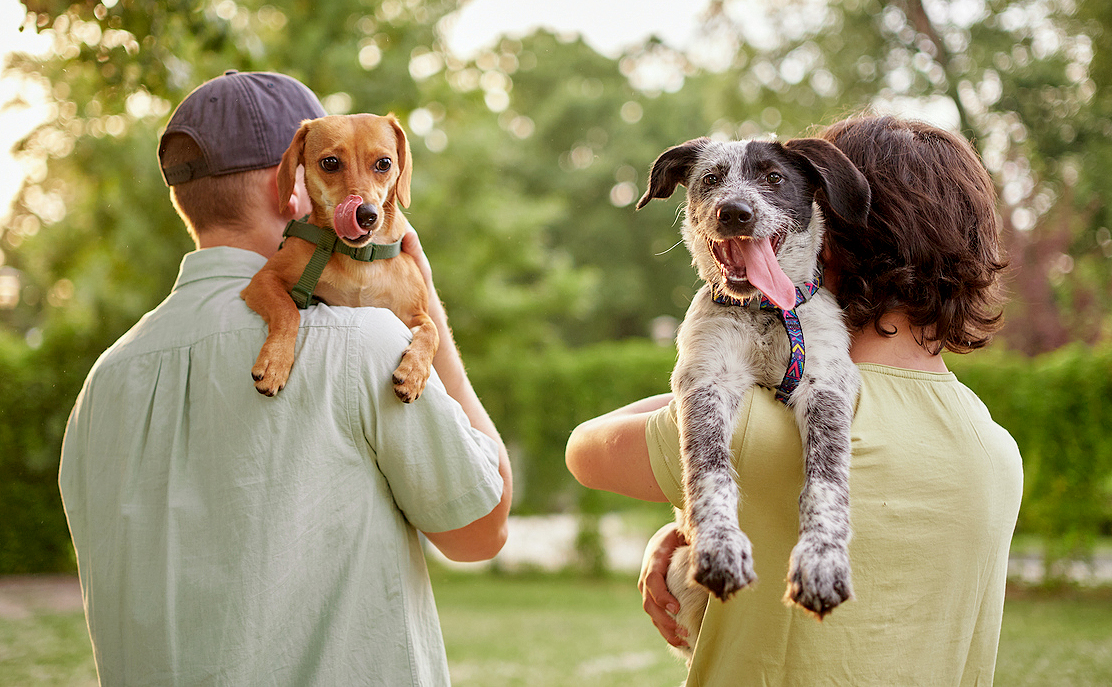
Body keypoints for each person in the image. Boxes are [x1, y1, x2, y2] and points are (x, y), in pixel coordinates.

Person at [59, 70, 512, 686]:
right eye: (333, 165)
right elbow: (483, 528)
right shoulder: (367, 343)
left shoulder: (103, 383)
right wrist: (427, 305)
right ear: (291, 191)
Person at [566, 114, 1023, 685]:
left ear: (832, 235)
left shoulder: (754, 430)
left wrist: (693, 508)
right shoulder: (997, 451)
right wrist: (693, 522)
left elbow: (585, 450)